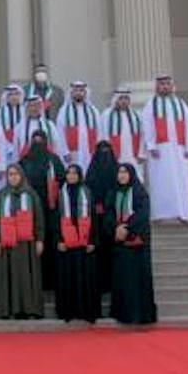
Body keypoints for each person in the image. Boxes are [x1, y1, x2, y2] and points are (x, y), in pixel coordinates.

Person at [0, 162, 44, 320]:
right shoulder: (2, 195)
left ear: (21, 176)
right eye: (10, 174)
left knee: (28, 276)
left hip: (27, 244)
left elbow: (38, 218)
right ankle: (7, 309)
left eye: (16, 174)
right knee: (8, 277)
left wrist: (40, 240)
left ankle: (29, 309)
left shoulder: (31, 194)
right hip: (7, 244)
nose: (13, 177)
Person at [107, 163, 158, 325]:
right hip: (119, 244)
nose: (122, 175)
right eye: (119, 172)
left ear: (131, 174)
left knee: (137, 280)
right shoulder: (112, 192)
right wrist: (116, 228)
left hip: (137, 245)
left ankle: (140, 314)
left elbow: (143, 214)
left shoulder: (139, 192)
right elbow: (108, 214)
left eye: (125, 172)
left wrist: (128, 228)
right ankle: (123, 313)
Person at [52, 163, 100, 324]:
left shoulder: (87, 193)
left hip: (84, 244)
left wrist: (93, 240)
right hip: (66, 245)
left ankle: (86, 311)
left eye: (75, 173)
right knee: (68, 280)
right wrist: (59, 240)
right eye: (69, 173)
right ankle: (68, 311)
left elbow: (94, 218)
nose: (71, 176)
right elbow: (55, 220)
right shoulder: (61, 194)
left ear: (80, 176)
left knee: (85, 280)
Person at [18, 130, 66, 290]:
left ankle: (51, 279)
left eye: (41, 140)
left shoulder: (55, 160)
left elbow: (62, 180)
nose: (38, 143)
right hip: (30, 210)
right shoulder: (24, 161)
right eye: (35, 140)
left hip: (50, 210)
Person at [145, 74, 188, 224]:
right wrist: (151, 146)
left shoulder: (181, 104)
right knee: (160, 182)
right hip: (160, 150)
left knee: (181, 182)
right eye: (162, 84)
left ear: (172, 86)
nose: (165, 87)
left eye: (167, 84)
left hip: (179, 150)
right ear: (157, 87)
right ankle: (159, 215)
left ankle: (183, 214)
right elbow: (147, 127)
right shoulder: (151, 105)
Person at [84, 139, 121, 296]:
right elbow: (88, 193)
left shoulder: (118, 171)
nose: (104, 154)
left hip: (114, 220)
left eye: (107, 150)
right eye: (101, 150)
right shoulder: (92, 172)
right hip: (97, 221)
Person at [54, 82, 101, 170]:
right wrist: (65, 152)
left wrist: (97, 152)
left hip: (90, 152)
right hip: (71, 153)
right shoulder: (64, 111)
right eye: (76, 91)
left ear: (85, 93)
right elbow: (60, 134)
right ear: (71, 93)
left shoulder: (93, 111)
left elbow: (99, 132)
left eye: (81, 91)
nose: (78, 93)